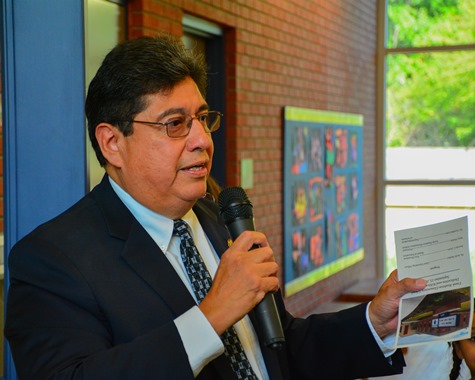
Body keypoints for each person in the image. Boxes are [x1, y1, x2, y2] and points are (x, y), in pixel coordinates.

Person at [4, 33, 426, 380]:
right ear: (112, 142)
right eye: (175, 125)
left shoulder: (218, 218)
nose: (202, 140)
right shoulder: (51, 262)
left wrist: (374, 320)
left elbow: (280, 347)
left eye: (203, 118)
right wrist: (210, 316)